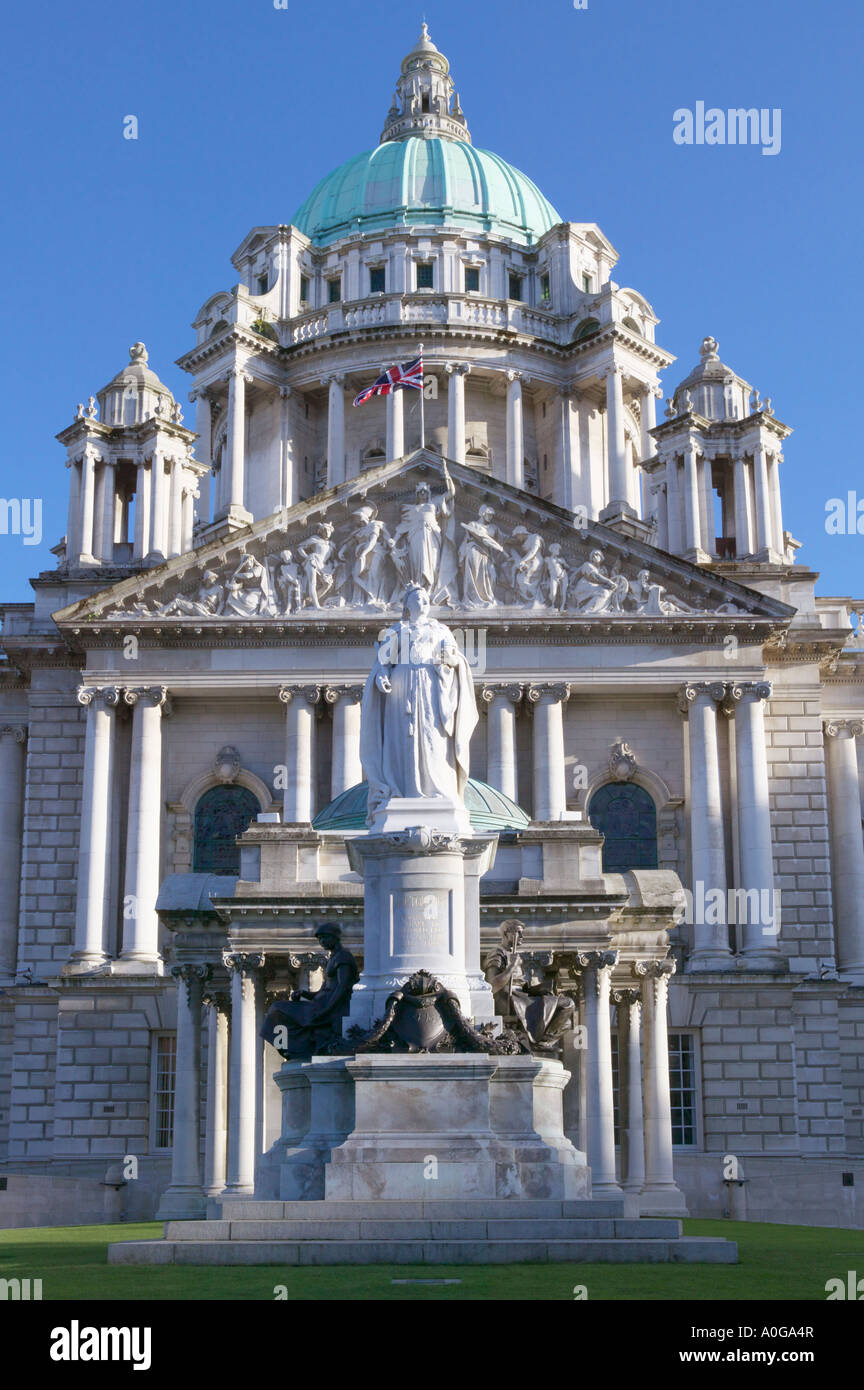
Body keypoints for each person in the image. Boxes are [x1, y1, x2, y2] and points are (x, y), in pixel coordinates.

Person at [359, 583, 478, 818]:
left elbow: (454, 658)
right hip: (401, 689)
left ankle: (437, 789)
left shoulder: (441, 630)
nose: (423, 603)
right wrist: (382, 675)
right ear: (407, 605)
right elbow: (383, 662)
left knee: (433, 737)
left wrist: (450, 661)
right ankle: (400, 790)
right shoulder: (398, 629)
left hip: (431, 686)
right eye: (417, 599)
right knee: (401, 739)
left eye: (425, 600)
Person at [260, 924, 359, 1058]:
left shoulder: (343, 957)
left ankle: (295, 1049)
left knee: (277, 1009)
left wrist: (327, 1010)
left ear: (335, 938)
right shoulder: (333, 958)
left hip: (329, 1009)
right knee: (276, 1010)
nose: (322, 941)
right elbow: (323, 990)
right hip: (320, 1005)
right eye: (320, 939)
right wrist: (304, 993)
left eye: (325, 937)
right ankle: (292, 1049)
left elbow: (343, 987)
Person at [483, 919, 575, 1050]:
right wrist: (511, 967)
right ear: (506, 933)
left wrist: (540, 989)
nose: (522, 937)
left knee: (566, 1023)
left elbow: (520, 984)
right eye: (518, 933)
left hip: (522, 996)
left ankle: (542, 1043)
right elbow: (492, 986)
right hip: (511, 1000)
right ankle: (540, 1043)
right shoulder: (497, 954)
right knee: (567, 1004)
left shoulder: (513, 954)